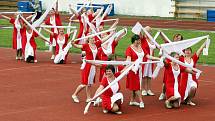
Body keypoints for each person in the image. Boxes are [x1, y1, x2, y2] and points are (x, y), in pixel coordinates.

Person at [71, 33, 111, 103]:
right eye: (91, 38)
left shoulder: (96, 44)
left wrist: (111, 35)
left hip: (93, 67)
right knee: (84, 83)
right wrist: (73, 43)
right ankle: (74, 95)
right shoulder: (86, 46)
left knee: (89, 83)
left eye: (93, 38)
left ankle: (88, 98)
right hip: (87, 66)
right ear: (88, 39)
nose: (93, 39)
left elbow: (104, 40)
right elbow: (77, 46)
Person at [125, 34, 160, 108]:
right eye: (137, 40)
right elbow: (128, 60)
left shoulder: (142, 47)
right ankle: (141, 101)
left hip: (139, 70)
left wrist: (158, 58)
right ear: (133, 40)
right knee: (137, 86)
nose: (138, 42)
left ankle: (132, 100)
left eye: (139, 40)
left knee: (136, 85)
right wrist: (126, 68)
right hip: (133, 70)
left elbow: (147, 56)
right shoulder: (129, 49)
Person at [158, 33, 184, 100]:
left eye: (179, 38)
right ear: (173, 38)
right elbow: (165, 39)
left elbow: (183, 57)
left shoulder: (182, 48)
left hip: (177, 67)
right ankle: (163, 93)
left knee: (176, 81)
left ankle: (174, 94)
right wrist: (160, 33)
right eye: (176, 37)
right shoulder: (170, 44)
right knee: (165, 81)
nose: (177, 39)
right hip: (169, 65)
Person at [140, 26, 157, 96]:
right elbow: (139, 34)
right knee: (144, 75)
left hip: (151, 60)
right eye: (146, 31)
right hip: (145, 59)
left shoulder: (153, 40)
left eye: (149, 31)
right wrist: (140, 28)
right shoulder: (143, 39)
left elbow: (157, 47)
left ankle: (148, 89)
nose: (148, 32)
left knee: (149, 75)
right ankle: (143, 89)